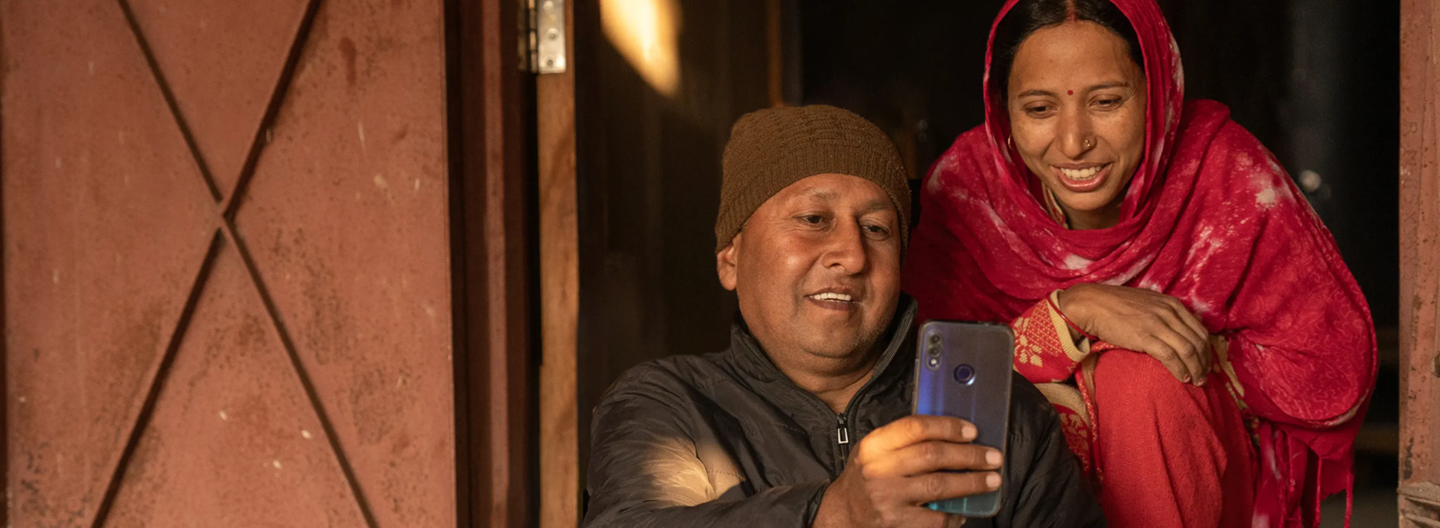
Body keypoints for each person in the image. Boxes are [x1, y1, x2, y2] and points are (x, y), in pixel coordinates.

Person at [903, 0, 1377, 527]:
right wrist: (1072, 314)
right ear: (1003, 112)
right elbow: (924, 383)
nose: (1074, 143)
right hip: (1015, 485)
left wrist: (1151, 348)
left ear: (1157, 95)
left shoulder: (1225, 176)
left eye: (1107, 101)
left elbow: (1328, 374)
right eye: (1038, 109)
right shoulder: (970, 189)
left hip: (1197, 473)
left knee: (1139, 379)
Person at [583, 105, 1106, 528]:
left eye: (877, 229)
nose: (854, 256)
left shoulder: (1001, 413)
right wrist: (832, 514)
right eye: (813, 219)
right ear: (731, 259)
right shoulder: (669, 403)